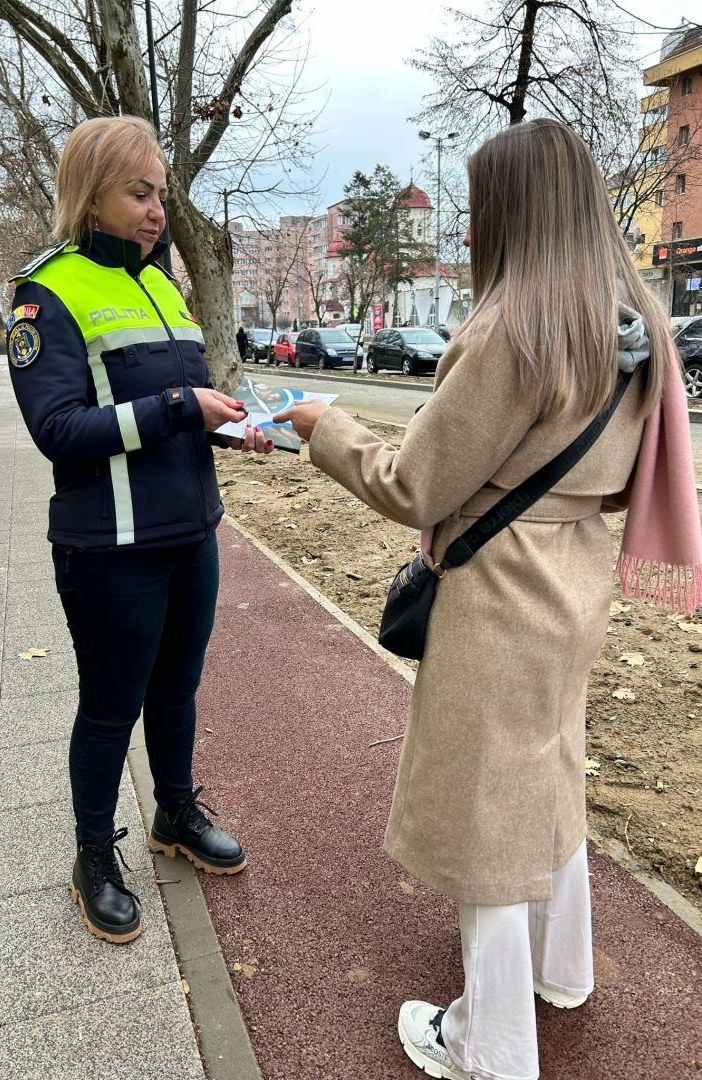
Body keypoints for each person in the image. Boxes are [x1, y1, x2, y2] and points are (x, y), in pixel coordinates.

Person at [275, 119, 702, 1080]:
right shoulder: (635, 321)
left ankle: (490, 1043)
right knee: (549, 773)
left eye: (481, 207)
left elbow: (413, 483)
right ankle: (563, 969)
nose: (472, 228)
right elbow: (620, 478)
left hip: (501, 590)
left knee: (485, 811)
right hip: (576, 578)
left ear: (513, 211)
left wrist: (324, 425)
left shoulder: (518, 328)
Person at [7, 115, 273, 946]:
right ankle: (93, 856)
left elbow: (179, 411)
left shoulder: (161, 285)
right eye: (140, 193)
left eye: (161, 193)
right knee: (109, 708)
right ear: (92, 194)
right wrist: (177, 406)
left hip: (191, 535)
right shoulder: (47, 292)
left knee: (178, 690)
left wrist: (229, 426)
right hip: (109, 552)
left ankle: (174, 813)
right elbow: (58, 430)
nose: (158, 210)